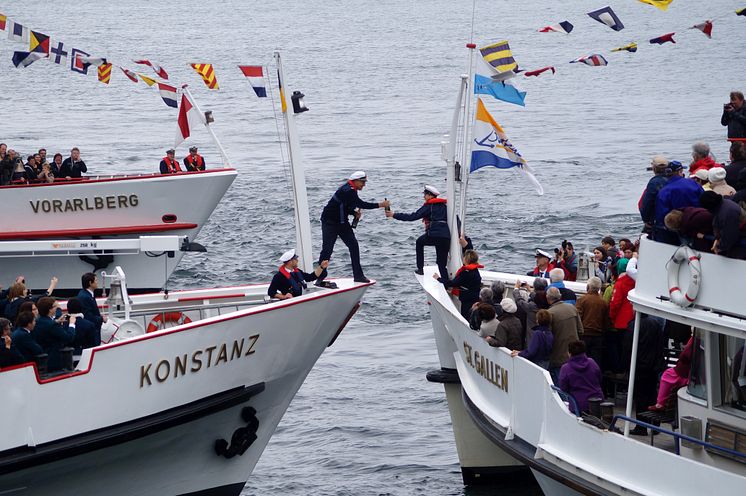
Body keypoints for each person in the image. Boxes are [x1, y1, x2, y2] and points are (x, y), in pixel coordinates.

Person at [317, 171, 390, 283]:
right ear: (355, 181)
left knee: (354, 246)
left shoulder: (351, 190)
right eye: (362, 182)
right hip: (329, 222)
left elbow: (345, 206)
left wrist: (353, 213)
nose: (364, 185)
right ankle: (320, 277)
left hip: (342, 222)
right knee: (327, 250)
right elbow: (361, 204)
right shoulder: (348, 191)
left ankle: (358, 276)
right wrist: (380, 205)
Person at [386, 185, 449, 277]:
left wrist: (394, 215)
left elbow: (412, 217)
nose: (424, 197)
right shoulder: (445, 206)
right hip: (446, 237)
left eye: (425, 194)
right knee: (441, 264)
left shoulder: (429, 206)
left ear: (430, 196)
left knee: (419, 242)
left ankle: (420, 269)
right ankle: (446, 284)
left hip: (434, 235)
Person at [654, 161, 704, 244]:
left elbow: (661, 214)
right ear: (680, 172)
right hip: (697, 222)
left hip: (677, 227)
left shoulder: (664, 191)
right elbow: (704, 200)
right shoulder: (693, 183)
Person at [547, 286, 584, 383]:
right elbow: (581, 330)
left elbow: (548, 338)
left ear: (548, 298)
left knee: (560, 386)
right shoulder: (572, 308)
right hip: (575, 353)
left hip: (558, 356)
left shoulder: (549, 313)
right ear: (560, 296)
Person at [649, 335, 694, 412]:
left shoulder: (695, 338)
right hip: (690, 371)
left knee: (667, 376)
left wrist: (682, 356)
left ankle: (660, 403)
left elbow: (685, 355)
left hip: (684, 370)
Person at [434, 249, 482, 321]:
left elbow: (453, 283)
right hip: (475, 296)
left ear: (466, 259)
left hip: (467, 300)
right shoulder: (475, 271)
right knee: (474, 315)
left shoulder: (465, 273)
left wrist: (439, 279)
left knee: (466, 317)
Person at [559, 340, 604, 413]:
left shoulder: (565, 368)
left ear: (569, 353)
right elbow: (599, 378)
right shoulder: (592, 362)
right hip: (597, 401)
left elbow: (563, 388)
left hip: (578, 405)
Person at [699, 191, 746, 259]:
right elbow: (718, 223)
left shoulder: (728, 213)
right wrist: (717, 238)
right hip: (734, 231)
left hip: (742, 236)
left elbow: (730, 236)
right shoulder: (721, 204)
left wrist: (720, 248)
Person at [34, 297, 76, 372]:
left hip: (42, 359)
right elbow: (68, 337)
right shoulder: (52, 325)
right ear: (50, 309)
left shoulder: (37, 322)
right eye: (54, 306)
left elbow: (47, 326)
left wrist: (56, 321)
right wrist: (72, 324)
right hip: (54, 360)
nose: (56, 308)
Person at [608, 258, 635, 373]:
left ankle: (620, 371)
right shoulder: (637, 281)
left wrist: (612, 317)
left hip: (621, 322)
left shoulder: (620, 283)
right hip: (634, 320)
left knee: (620, 348)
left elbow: (615, 303)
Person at [576, 277, 608, 370]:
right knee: (595, 362)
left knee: (581, 360)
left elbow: (578, 317)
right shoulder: (603, 303)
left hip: (584, 334)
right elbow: (606, 321)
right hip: (598, 336)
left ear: (588, 286)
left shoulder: (582, 300)